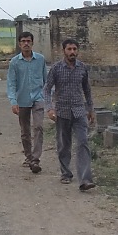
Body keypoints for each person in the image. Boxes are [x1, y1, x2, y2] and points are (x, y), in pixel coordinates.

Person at [44, 38, 97, 191]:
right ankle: (66, 173)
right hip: (62, 112)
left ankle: (85, 179)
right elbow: (47, 89)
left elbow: (87, 90)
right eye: (69, 49)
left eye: (75, 49)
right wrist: (50, 108)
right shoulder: (56, 69)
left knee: (82, 142)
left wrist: (91, 109)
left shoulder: (82, 68)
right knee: (64, 144)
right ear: (64, 51)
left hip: (79, 111)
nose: (72, 52)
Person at [6, 31, 47, 174]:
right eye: (23, 41)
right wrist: (13, 101)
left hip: (38, 98)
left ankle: (35, 159)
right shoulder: (15, 62)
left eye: (28, 41)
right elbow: (11, 83)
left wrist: (48, 97)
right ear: (19, 44)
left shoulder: (40, 60)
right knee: (25, 131)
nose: (26, 43)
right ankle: (28, 157)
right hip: (22, 99)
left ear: (32, 43)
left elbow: (46, 80)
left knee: (39, 127)